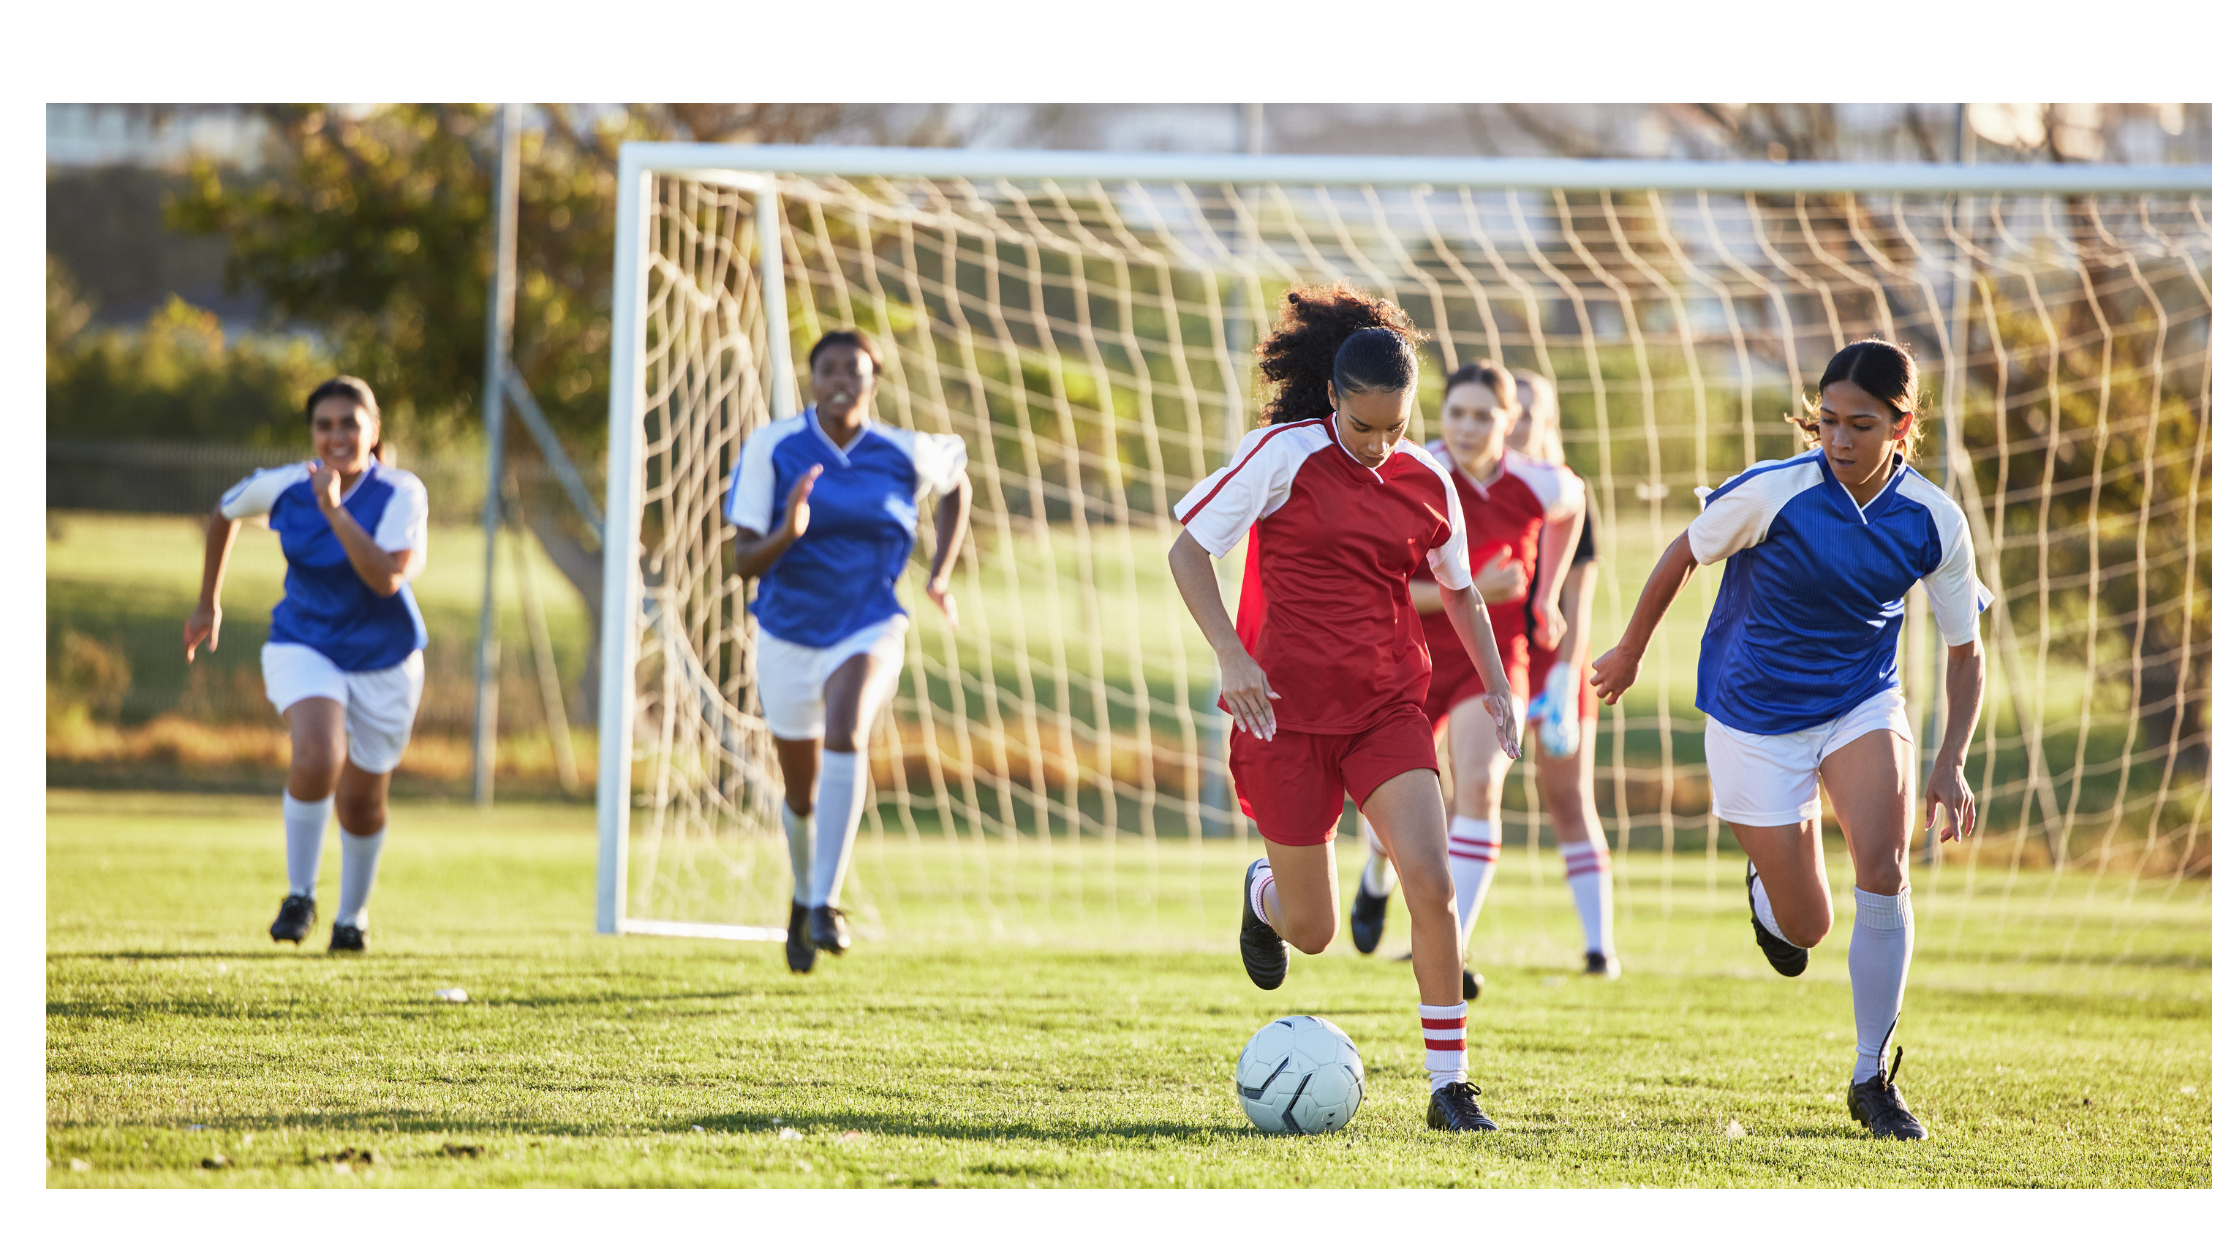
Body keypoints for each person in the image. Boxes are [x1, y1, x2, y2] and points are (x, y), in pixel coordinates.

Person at [1590, 339, 1989, 1140]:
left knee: (1884, 865)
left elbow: (1964, 651)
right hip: (1752, 717)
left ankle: (1872, 1076)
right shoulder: (1775, 491)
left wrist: (1949, 761)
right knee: (1807, 926)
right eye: (1828, 422)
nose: (1839, 440)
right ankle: (1768, 887)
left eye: (1861, 425)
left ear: (1902, 426)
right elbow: (1681, 554)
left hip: (1860, 704)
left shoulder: (1934, 520)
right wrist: (1629, 649)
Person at [1169, 284, 1524, 1133]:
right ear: (1332, 397)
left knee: (1431, 884)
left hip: (1384, 709)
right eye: (1363, 425)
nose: (1378, 444)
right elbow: (1188, 553)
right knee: (1316, 931)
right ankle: (1263, 898)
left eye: (1396, 426)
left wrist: (1500, 688)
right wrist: (1232, 652)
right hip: (1282, 716)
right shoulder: (1279, 455)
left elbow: (1463, 593)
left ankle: (1450, 1086)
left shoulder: (1428, 481)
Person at [727, 329, 970, 974]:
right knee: (800, 794)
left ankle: (827, 904)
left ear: (873, 380)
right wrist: (789, 531)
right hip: (786, 633)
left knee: (847, 728)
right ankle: (803, 899)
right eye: (828, 367)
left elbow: (957, 483)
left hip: (870, 624)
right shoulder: (773, 447)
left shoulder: (900, 450)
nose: (841, 378)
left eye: (854, 370)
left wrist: (938, 573)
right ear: (812, 377)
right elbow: (742, 558)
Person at [1345, 362, 1583, 1003]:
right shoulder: (1414, 473)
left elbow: (1574, 502)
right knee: (1392, 807)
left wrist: (1545, 595)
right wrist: (1471, 590)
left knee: (1478, 784)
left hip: (1493, 657)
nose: (1470, 426)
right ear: (1440, 416)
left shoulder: (1536, 482)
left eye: (1486, 415)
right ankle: (1375, 871)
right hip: (1408, 653)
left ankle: (1456, 942)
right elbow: (1379, 585)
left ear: (1511, 422)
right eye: (1459, 413)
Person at [186, 376, 429, 953]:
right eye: (325, 424)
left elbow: (385, 577)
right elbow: (223, 514)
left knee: (363, 802)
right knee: (318, 754)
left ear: (374, 432)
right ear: (312, 433)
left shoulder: (401, 493)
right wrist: (206, 602)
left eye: (350, 422)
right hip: (304, 642)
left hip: (384, 659)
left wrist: (334, 509)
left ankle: (352, 919)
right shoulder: (285, 486)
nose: (337, 434)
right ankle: (299, 894)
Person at [1512, 368, 1620, 977]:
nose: (1520, 422)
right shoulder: (1471, 488)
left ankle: (1600, 947)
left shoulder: (1571, 494)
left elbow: (1578, 607)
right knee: (1459, 796)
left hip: (1556, 665)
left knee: (1568, 797)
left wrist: (1561, 680)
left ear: (1547, 420)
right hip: (1490, 664)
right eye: (1513, 409)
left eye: (1532, 411)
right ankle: (1447, 933)